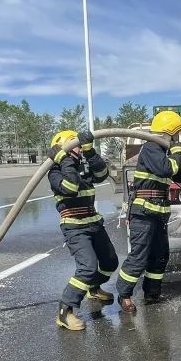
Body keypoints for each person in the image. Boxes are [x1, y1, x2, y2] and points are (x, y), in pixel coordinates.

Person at [115, 111, 181, 313]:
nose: (177, 139)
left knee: (160, 255)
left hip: (158, 215)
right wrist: (178, 152)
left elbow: (180, 174)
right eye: (177, 134)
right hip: (143, 214)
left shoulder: (163, 153)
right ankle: (124, 295)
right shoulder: (151, 148)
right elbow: (166, 169)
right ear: (169, 132)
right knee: (139, 256)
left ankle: (152, 292)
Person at [46, 129, 118, 331]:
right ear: (64, 148)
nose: (78, 146)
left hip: (93, 222)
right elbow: (69, 187)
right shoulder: (55, 172)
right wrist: (64, 160)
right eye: (75, 143)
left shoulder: (81, 166)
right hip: (74, 226)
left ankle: (93, 288)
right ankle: (65, 311)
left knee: (110, 262)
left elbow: (102, 174)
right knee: (87, 267)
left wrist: (90, 152)